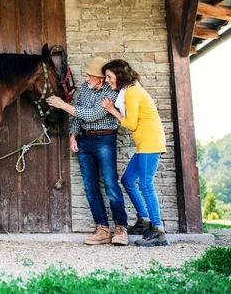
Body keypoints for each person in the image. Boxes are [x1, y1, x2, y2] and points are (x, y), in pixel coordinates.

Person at [47, 56, 128, 246]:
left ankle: (121, 228)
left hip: (105, 140)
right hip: (85, 140)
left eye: (90, 76)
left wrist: (63, 105)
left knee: (110, 185)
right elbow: (79, 114)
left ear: (101, 78)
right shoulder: (85, 88)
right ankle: (102, 229)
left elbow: (91, 115)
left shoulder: (112, 91)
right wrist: (73, 135)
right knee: (91, 188)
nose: (86, 78)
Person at [100, 59, 169, 247]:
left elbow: (131, 123)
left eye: (109, 76)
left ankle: (158, 231)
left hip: (150, 140)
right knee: (128, 180)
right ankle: (144, 221)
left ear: (119, 76)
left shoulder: (131, 92)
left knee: (146, 184)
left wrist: (112, 110)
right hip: (145, 142)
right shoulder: (129, 90)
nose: (107, 80)